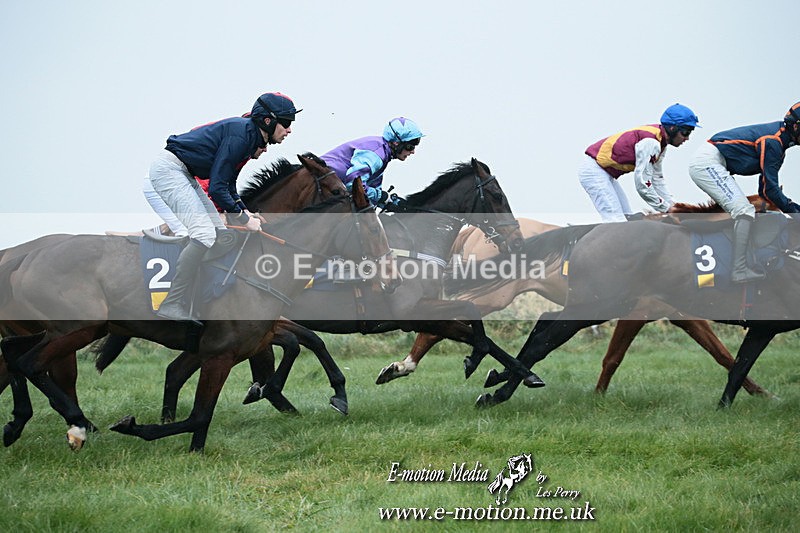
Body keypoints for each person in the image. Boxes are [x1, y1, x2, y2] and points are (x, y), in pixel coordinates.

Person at [146, 92, 300, 323]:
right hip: (170, 171)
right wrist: (245, 220)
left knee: (220, 232)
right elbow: (217, 189)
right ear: (268, 121)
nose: (289, 130)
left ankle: (200, 292)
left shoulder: (250, 138)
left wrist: (244, 212)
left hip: (184, 172)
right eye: (286, 123)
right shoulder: (242, 137)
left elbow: (229, 185)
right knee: (205, 234)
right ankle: (172, 302)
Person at [689, 102, 800, 283]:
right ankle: (739, 270)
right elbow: (770, 190)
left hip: (716, 163)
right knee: (744, 210)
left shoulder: (780, 144)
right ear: (796, 126)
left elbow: (764, 190)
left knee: (748, 210)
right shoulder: (773, 142)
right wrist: (796, 212)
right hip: (708, 163)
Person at [579, 103, 700, 222]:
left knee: (627, 218)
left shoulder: (660, 142)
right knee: (616, 221)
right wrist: (666, 208)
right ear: (672, 128)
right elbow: (643, 185)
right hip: (594, 171)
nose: (687, 138)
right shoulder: (651, 143)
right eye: (686, 132)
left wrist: (673, 206)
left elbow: (656, 178)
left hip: (606, 173)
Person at [321, 117, 423, 206]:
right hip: (320, 182)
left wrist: (390, 202)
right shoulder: (376, 153)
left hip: (332, 185)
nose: (412, 152)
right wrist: (381, 196)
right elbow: (354, 184)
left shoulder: (383, 154)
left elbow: (371, 191)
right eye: (410, 146)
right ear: (396, 143)